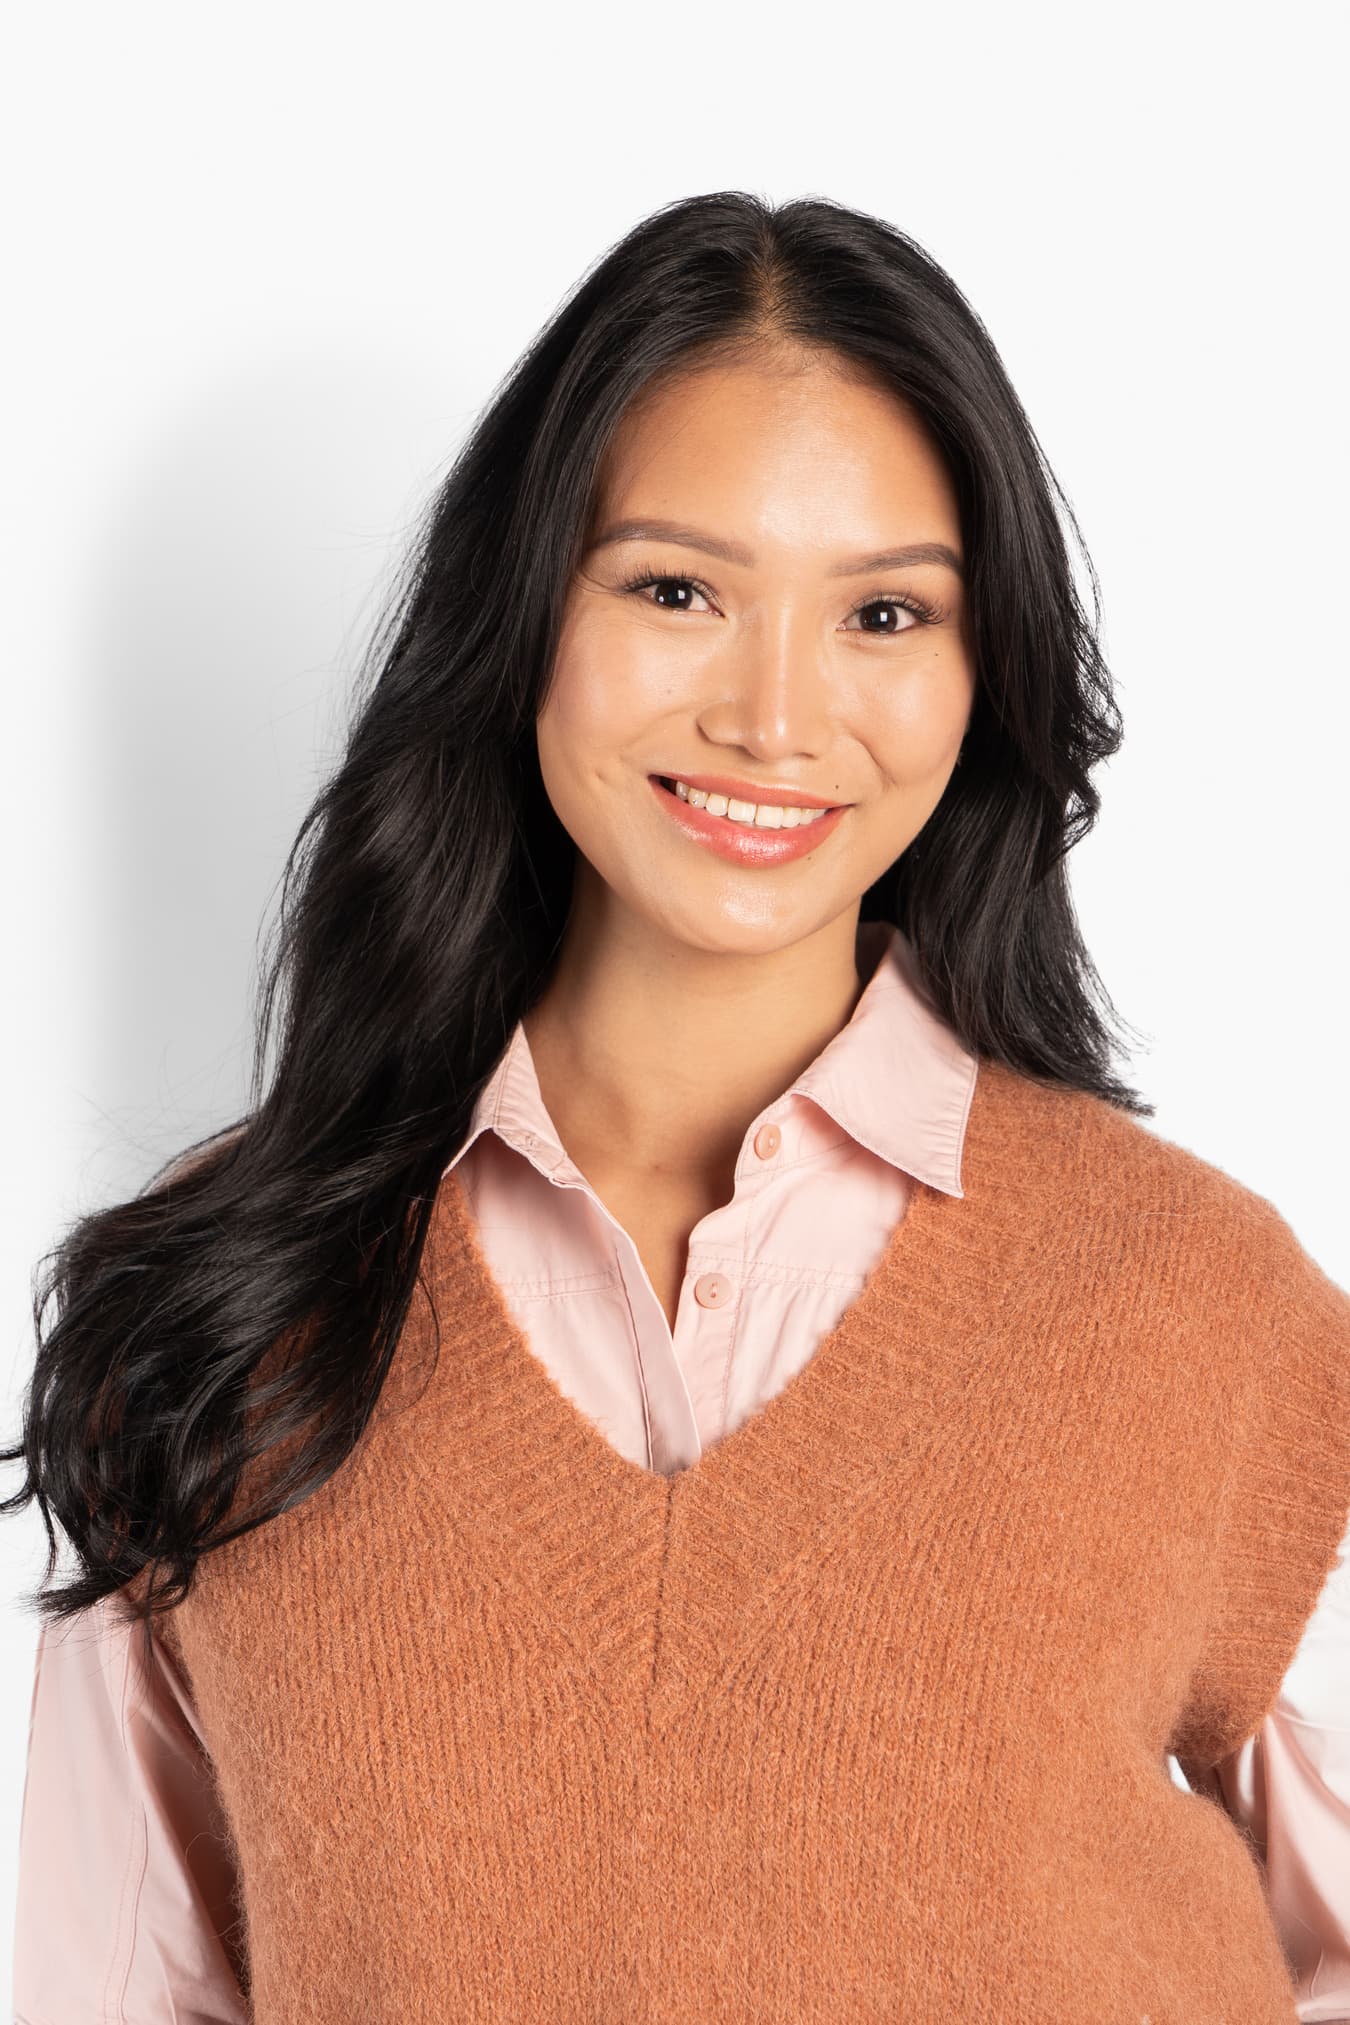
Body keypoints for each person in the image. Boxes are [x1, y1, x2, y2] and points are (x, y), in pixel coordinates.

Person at [5, 190, 1349, 2024]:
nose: (775, 716)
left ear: (980, 675)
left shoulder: (1199, 1303)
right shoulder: (214, 1311)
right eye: (674, 590)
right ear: (521, 617)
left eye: (883, 612)